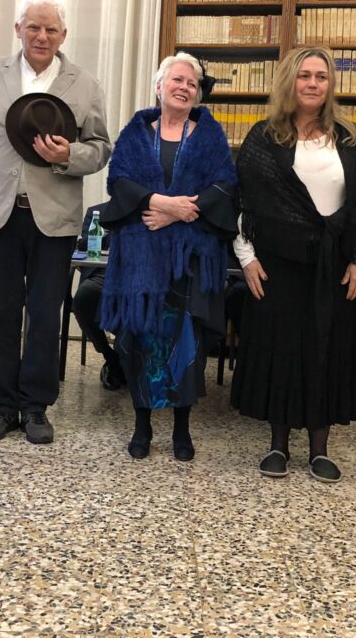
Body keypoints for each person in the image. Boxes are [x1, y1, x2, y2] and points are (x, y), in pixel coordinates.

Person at [0, 0, 111, 445]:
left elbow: (101, 149)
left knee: (45, 316)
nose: (41, 36)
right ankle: (1, 407)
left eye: (50, 29)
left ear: (63, 35)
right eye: (33, 27)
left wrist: (69, 155)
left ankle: (35, 407)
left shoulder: (85, 84)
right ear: (18, 29)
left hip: (54, 219)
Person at [231, 47, 356, 483]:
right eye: (305, 75)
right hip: (277, 265)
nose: (313, 83)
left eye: (321, 76)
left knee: (326, 350)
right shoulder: (264, 138)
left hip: (333, 266)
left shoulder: (351, 139)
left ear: (330, 85)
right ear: (289, 81)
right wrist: (247, 258)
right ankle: (278, 445)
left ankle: (319, 450)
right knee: (281, 350)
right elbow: (243, 203)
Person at [99, 52, 237, 461]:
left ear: (198, 94)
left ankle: (182, 427)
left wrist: (176, 213)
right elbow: (118, 181)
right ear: (159, 86)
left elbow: (225, 185)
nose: (184, 87)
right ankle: (142, 425)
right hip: (141, 259)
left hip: (189, 261)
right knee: (140, 339)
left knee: (185, 344)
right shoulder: (136, 133)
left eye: (192, 83)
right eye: (177, 80)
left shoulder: (209, 135)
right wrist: (158, 202)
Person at [72, 202, 126, 390]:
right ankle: (110, 357)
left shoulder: (146, 209)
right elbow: (82, 245)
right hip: (102, 273)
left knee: (134, 298)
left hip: (134, 274)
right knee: (83, 297)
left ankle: (128, 357)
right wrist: (106, 233)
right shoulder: (96, 212)